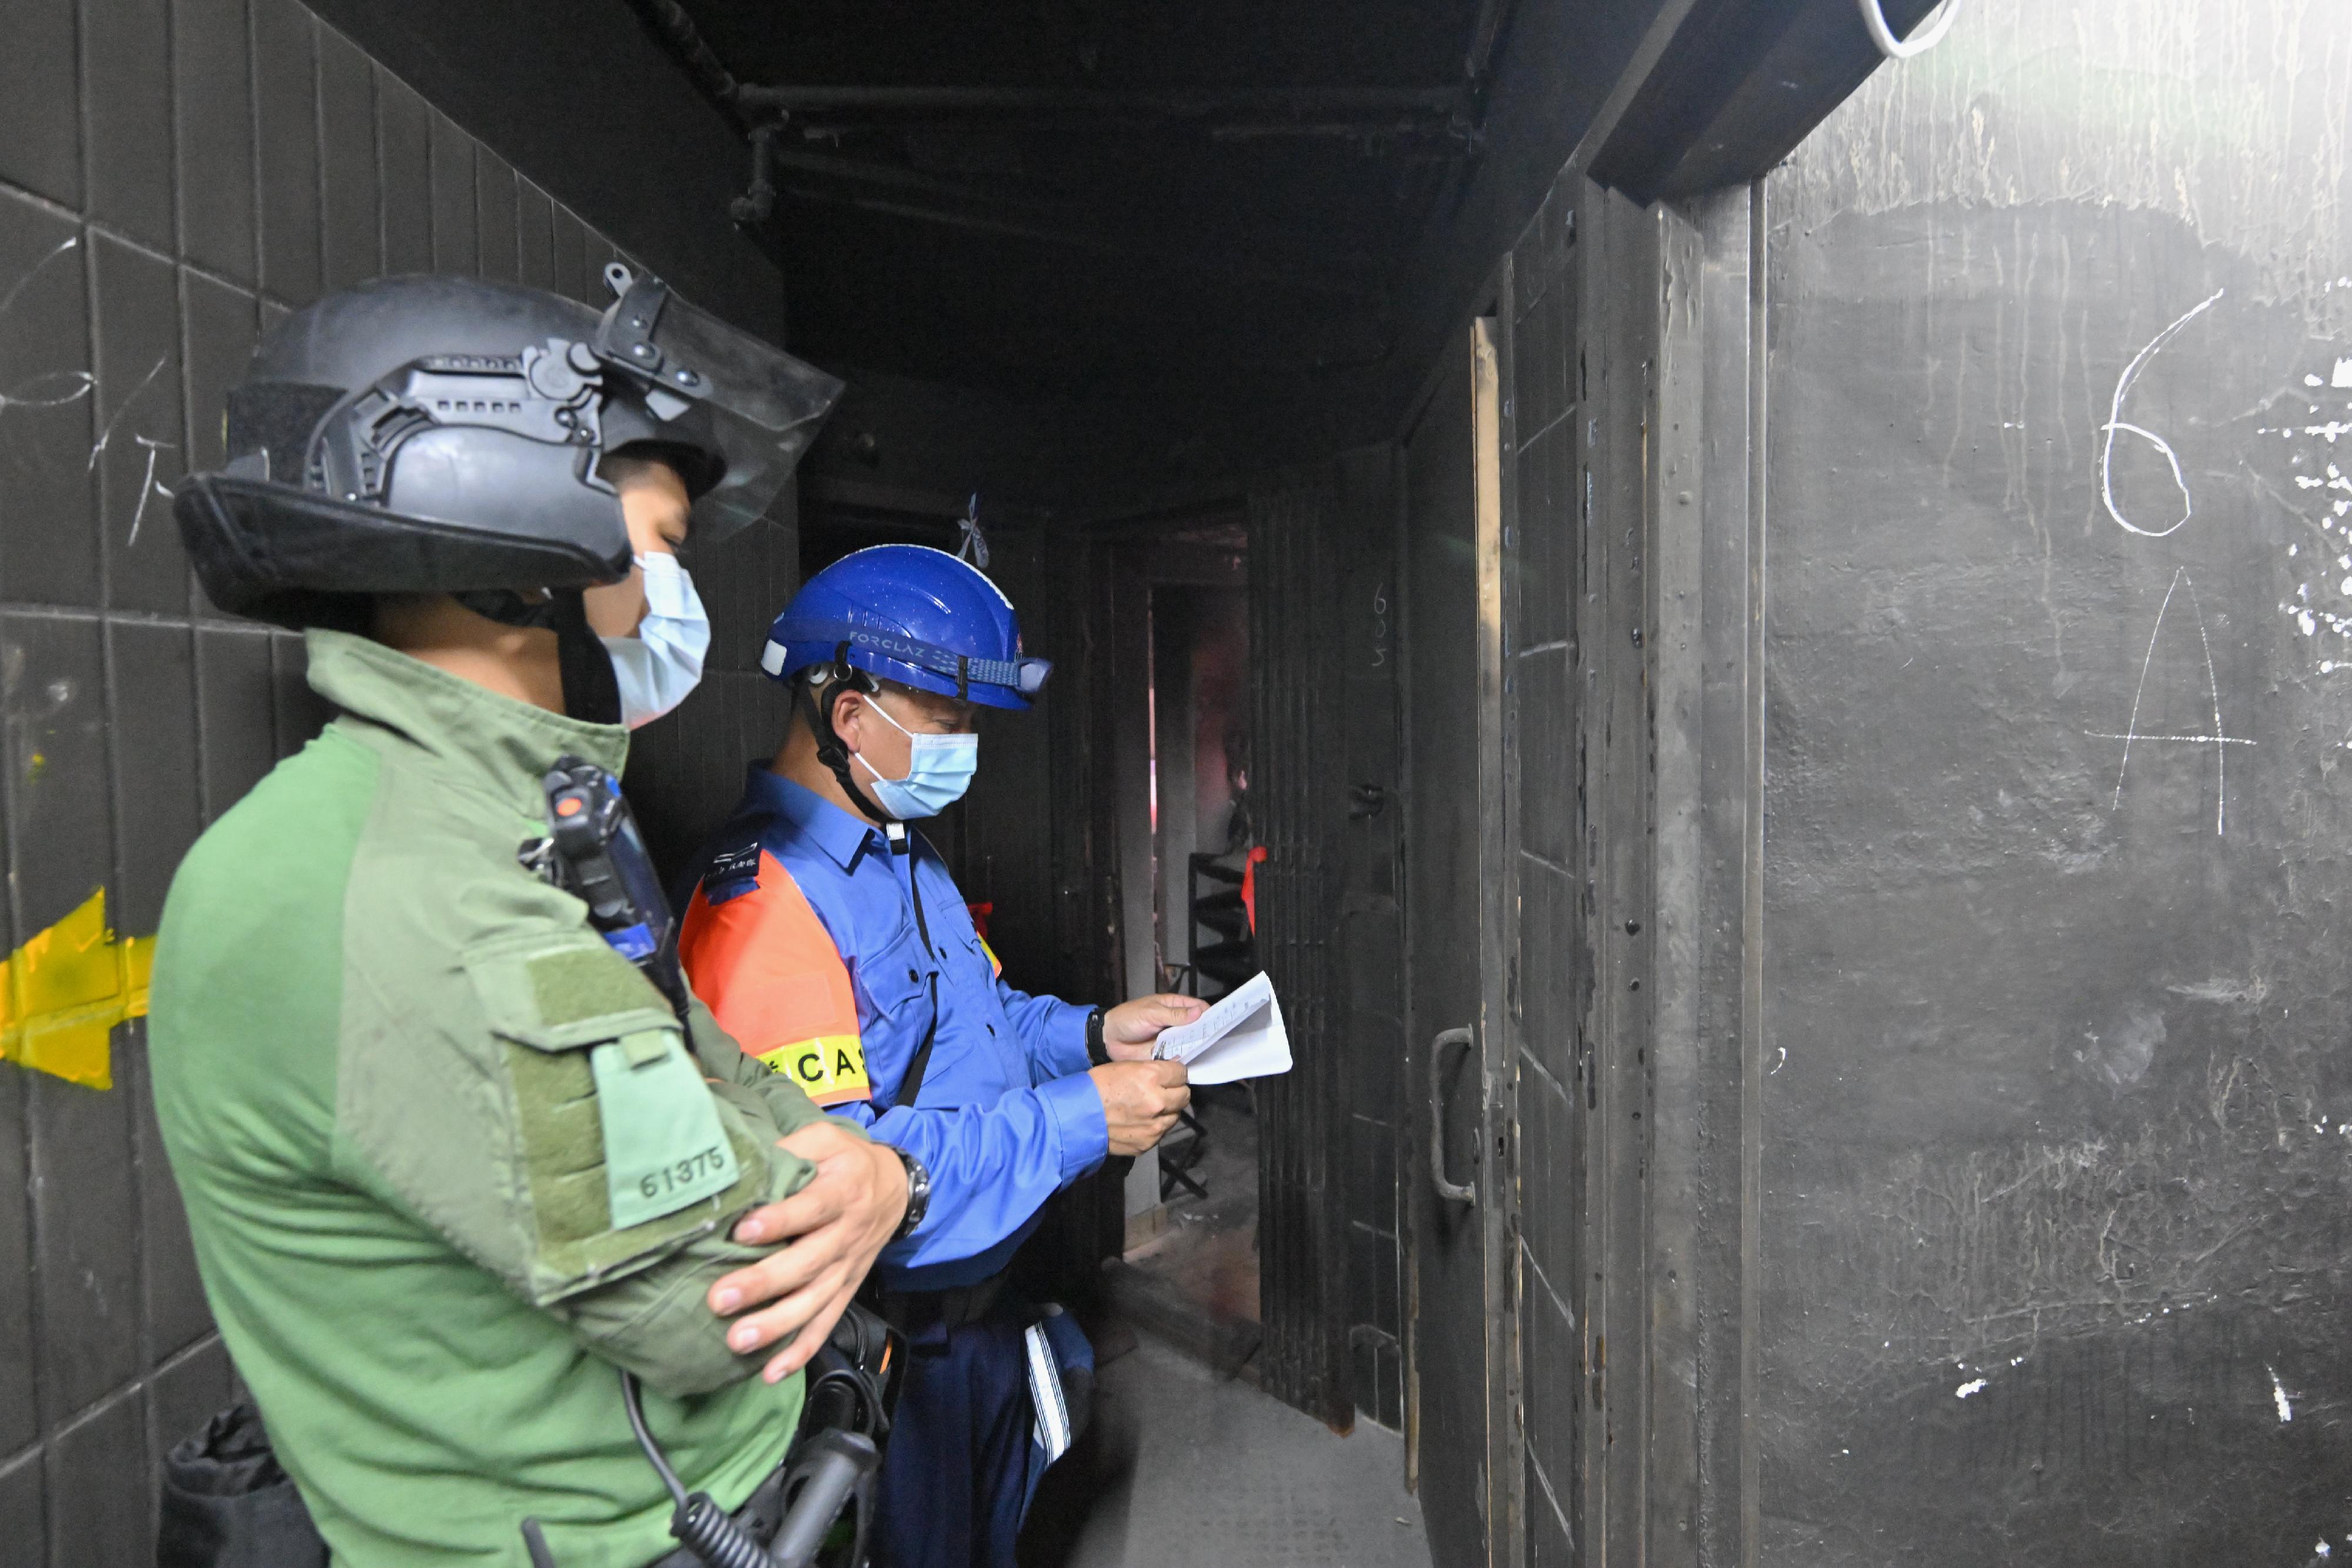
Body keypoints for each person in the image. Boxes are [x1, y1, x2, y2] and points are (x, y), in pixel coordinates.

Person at [148, 272, 918, 1567]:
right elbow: (711, 1292)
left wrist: (848, 1165)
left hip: (724, 1499)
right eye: (659, 543)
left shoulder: (516, 818)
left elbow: (676, 1041)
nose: (668, 591)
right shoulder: (403, 886)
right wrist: (860, 1177)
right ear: (515, 545)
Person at [674, 544, 1202, 1568]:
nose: (967, 749)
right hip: (888, 1351)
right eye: (947, 719)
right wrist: (1082, 1116)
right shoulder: (760, 907)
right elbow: (839, 1168)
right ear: (849, 714)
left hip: (979, 1327)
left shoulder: (902, 853)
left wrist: (1093, 1035)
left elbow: (984, 1018)